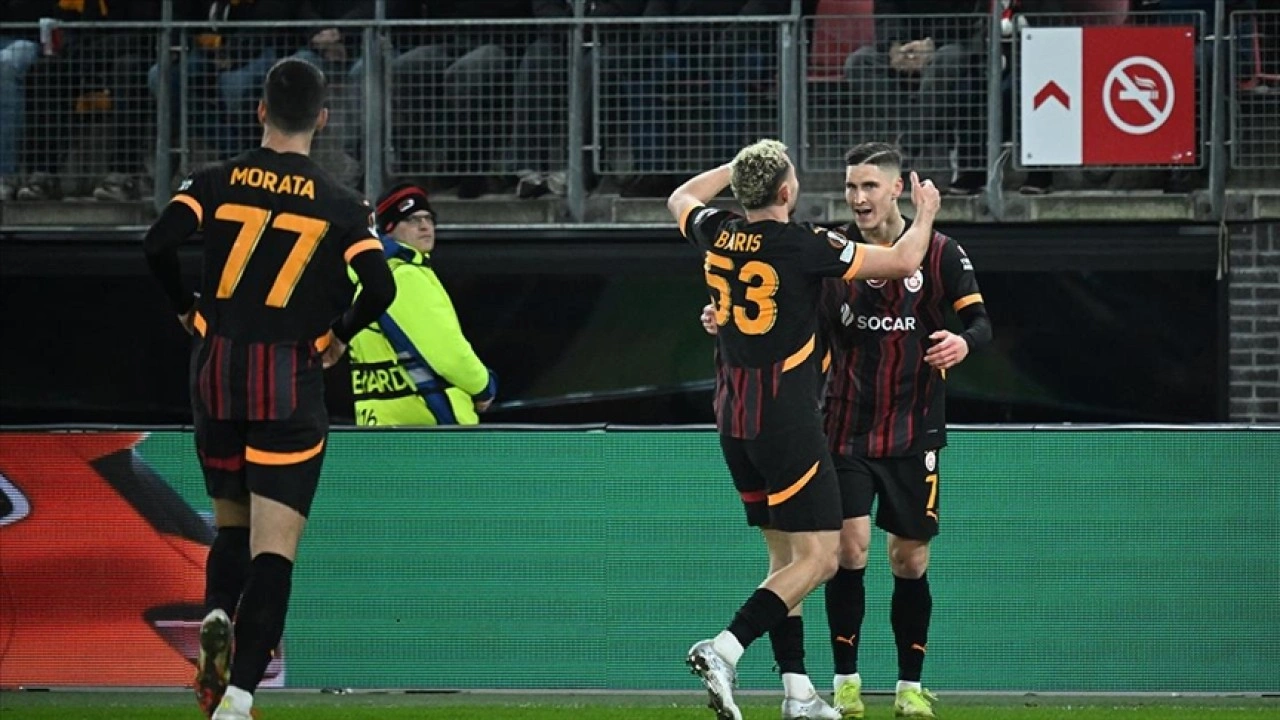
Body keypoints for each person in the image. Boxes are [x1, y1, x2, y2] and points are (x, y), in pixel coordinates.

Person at [142, 58, 396, 720]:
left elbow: (157, 243)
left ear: (260, 111)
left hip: (217, 374)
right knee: (274, 554)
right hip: (287, 381)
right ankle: (238, 697)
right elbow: (381, 288)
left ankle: (215, 613)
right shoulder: (342, 205)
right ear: (322, 118)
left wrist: (186, 309)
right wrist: (337, 336)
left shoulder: (215, 181)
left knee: (230, 526)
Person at [705, 142, 989, 718]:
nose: (858, 197)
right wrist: (727, 317)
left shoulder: (940, 252)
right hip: (843, 424)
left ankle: (907, 687)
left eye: (869, 186)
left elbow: (980, 322)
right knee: (845, 551)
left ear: (896, 189)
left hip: (914, 425)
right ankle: (844, 681)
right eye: (851, 186)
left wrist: (963, 343)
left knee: (908, 561)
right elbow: (785, 310)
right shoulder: (829, 251)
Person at [347, 182, 497, 426]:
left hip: (379, 421)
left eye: (429, 218)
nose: (425, 226)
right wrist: (484, 386)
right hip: (428, 426)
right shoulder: (405, 276)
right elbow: (448, 352)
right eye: (412, 220)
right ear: (389, 228)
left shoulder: (368, 279)